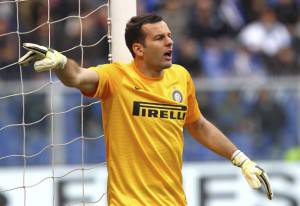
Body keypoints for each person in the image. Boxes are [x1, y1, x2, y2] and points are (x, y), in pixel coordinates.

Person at [18, 13, 272, 206]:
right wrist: (61, 62)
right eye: (160, 38)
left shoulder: (181, 77)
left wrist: (241, 159)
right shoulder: (116, 77)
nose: (169, 42)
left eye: (170, 36)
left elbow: (197, 124)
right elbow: (77, 76)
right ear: (138, 49)